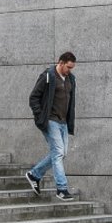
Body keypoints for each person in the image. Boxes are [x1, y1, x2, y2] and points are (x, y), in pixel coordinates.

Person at [25, 51, 77, 201]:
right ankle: (61, 189)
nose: (69, 70)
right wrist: (41, 116)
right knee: (59, 152)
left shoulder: (71, 79)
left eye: (72, 68)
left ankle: (34, 175)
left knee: (60, 153)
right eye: (68, 67)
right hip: (50, 120)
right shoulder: (48, 76)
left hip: (63, 122)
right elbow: (33, 97)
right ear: (61, 63)